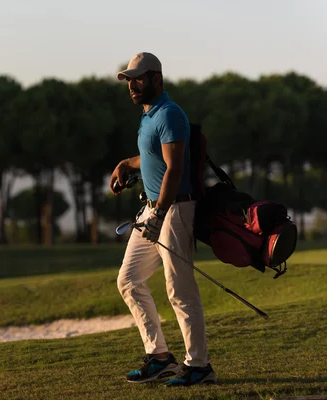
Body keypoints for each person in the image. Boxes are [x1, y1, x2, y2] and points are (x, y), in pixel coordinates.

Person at [109, 52, 216, 387]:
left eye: (139, 78)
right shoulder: (149, 115)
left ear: (157, 78)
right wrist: (127, 164)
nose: (133, 85)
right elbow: (153, 157)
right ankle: (159, 357)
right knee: (128, 280)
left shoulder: (170, 114)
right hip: (152, 211)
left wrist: (159, 214)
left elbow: (174, 167)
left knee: (180, 290)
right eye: (129, 79)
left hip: (175, 211)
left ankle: (199, 365)